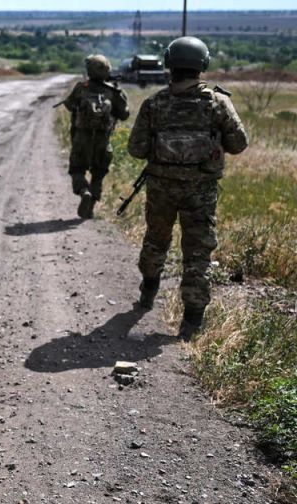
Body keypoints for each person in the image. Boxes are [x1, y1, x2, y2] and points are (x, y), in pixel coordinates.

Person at [127, 36, 248, 338]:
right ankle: (192, 322)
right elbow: (239, 144)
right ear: (202, 64)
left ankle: (148, 291)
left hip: (161, 189)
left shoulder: (154, 104)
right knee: (197, 253)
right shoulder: (218, 103)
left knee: (156, 240)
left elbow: (136, 149)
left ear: (169, 64)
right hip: (201, 192)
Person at [62, 54, 130, 219]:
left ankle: (83, 191)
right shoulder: (114, 91)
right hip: (103, 140)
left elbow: (70, 105)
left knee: (77, 169)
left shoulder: (81, 88)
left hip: (81, 138)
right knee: (98, 174)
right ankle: (90, 205)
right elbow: (124, 114)